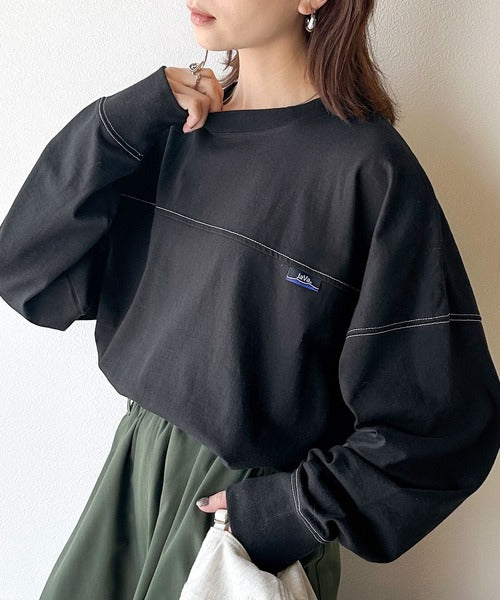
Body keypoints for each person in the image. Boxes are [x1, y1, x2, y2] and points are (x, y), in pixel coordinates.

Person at [0, 1, 498, 599]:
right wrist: (124, 119)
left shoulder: (369, 170)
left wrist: (290, 511)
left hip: (238, 533)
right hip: (127, 495)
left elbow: (445, 421)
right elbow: (25, 270)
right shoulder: (168, 131)